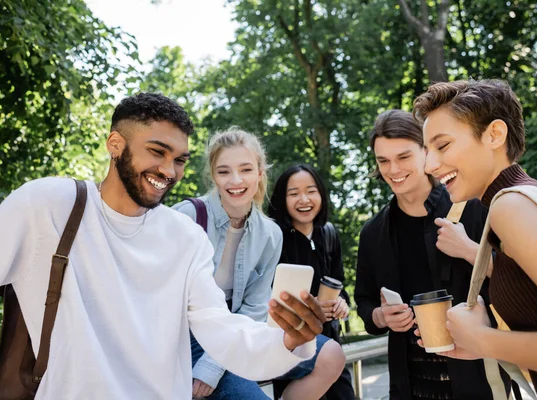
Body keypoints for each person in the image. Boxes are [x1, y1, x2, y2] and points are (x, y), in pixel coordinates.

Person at [0, 93, 326, 399]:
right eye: (157, 152)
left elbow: (222, 328)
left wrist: (288, 340)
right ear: (115, 144)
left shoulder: (185, 236)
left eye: (180, 159)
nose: (169, 171)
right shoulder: (48, 205)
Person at [414, 79, 537, 400]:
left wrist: (484, 340)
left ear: (495, 135)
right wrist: (482, 342)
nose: (430, 165)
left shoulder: (511, 206)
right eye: (427, 151)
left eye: (442, 146)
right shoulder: (527, 201)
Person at [173, 130, 345, 399]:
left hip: (241, 330)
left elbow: (254, 307)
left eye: (246, 169)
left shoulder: (270, 234)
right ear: (213, 176)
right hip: (191, 335)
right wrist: (207, 362)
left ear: (260, 172)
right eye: (224, 172)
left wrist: (213, 366)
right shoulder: (188, 217)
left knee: (330, 354)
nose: (236, 181)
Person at [354, 109, 510, 399]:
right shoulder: (372, 233)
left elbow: (519, 280)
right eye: (383, 161)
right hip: (407, 383)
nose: (393, 170)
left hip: (478, 377)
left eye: (403, 157)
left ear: (426, 154)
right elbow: (364, 301)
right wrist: (380, 316)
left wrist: (468, 250)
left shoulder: (474, 208)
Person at [268, 163, 356, 400]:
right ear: (281, 199)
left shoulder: (328, 234)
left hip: (330, 344)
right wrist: (310, 305)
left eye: (311, 190)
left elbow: (339, 285)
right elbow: (266, 297)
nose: (304, 199)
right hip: (292, 347)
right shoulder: (273, 238)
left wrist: (341, 304)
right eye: (293, 193)